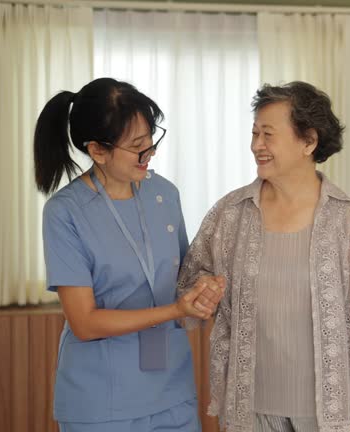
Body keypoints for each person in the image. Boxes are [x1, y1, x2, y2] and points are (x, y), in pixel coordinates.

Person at [177, 81, 350, 432]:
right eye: (254, 133)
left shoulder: (345, 220)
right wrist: (202, 291)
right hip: (248, 414)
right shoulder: (230, 214)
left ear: (309, 142)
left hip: (325, 417)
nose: (256, 145)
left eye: (268, 134)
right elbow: (189, 284)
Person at [35, 77, 224, 432]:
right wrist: (174, 310)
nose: (150, 152)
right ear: (98, 150)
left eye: (152, 139)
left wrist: (203, 291)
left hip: (173, 391)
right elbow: (85, 323)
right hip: (101, 399)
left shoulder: (165, 194)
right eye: (138, 146)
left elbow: (182, 281)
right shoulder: (65, 212)